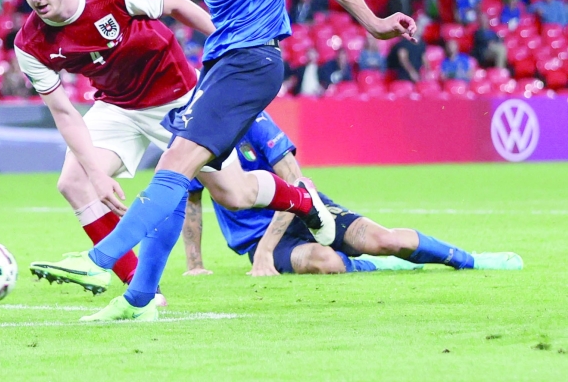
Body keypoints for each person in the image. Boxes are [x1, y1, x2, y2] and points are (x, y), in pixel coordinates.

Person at [22, 0, 414, 321]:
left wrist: (374, 24)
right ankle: (297, 204)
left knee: (174, 167)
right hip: (222, 63)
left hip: (253, 61)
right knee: (226, 190)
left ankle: (100, 263)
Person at [12, 0, 215, 294]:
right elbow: (64, 111)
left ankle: (305, 205)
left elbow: (178, 5)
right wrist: (96, 174)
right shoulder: (29, 44)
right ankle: (140, 290)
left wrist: (231, 47)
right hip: (118, 104)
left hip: (174, 96)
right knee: (73, 182)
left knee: (236, 194)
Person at [182, 111, 523, 277]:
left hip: (305, 209)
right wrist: (195, 265)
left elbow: (298, 185)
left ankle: (473, 260)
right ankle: (375, 265)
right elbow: (192, 200)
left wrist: (265, 255)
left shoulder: (257, 124)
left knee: (386, 239)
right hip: (259, 237)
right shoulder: (198, 139)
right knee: (324, 262)